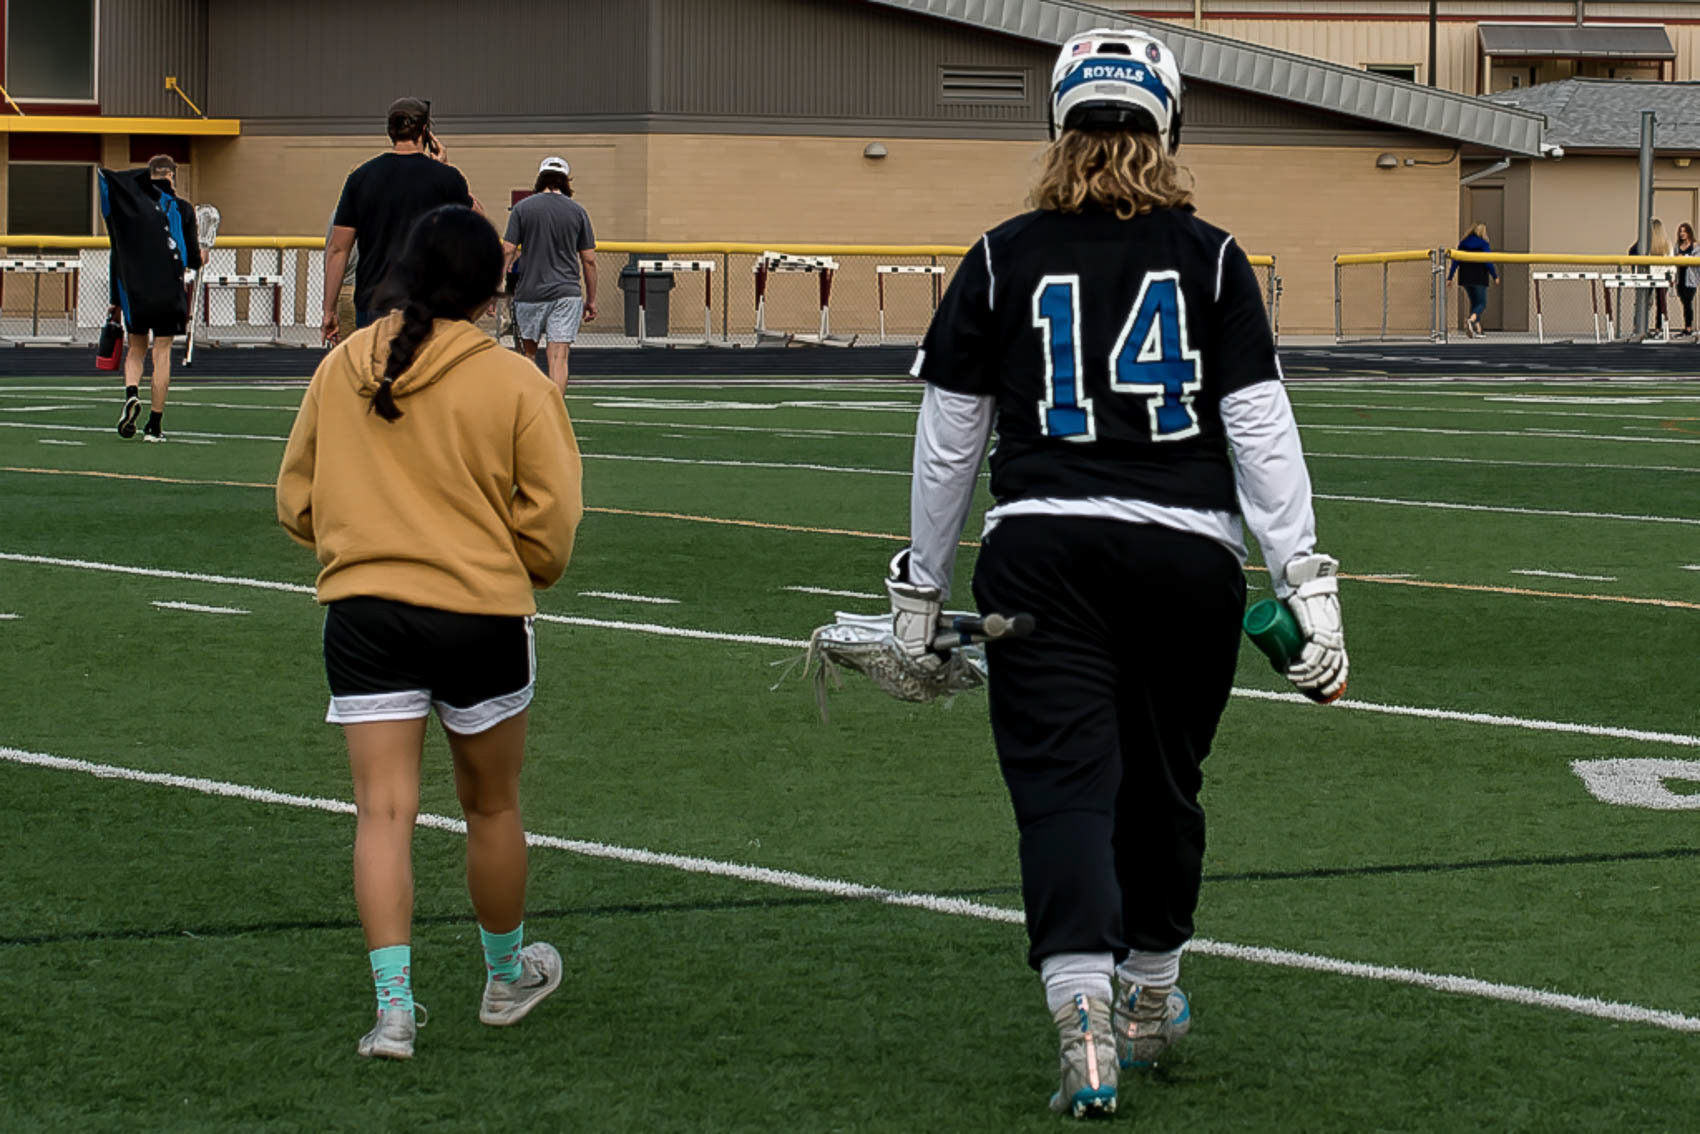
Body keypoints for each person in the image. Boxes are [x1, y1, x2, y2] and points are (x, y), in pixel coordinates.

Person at [885, 28, 1346, 1119]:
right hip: (1186, 556)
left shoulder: (1000, 254)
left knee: (1064, 788)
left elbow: (949, 442)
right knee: (1162, 784)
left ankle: (1080, 1015)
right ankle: (1145, 992)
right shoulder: (1213, 257)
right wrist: (1306, 583)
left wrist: (919, 588)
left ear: (1058, 123)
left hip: (1041, 553)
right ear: (1167, 126)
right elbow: (1260, 431)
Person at [276, 205, 583, 1060]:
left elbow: (296, 501)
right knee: (492, 805)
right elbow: (551, 528)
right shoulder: (516, 381)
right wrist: (507, 562)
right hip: (481, 614)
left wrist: (361, 540)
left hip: (365, 613)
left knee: (382, 812)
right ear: (495, 288)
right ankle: (505, 976)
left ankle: (394, 1012)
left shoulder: (342, 365)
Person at [322, 97, 482, 344]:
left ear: (391, 132)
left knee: (377, 366)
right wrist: (446, 169)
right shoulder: (446, 178)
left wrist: (329, 310)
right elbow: (479, 223)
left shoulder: (361, 177)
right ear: (425, 132)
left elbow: (337, 249)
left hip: (374, 301)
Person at [102, 154, 203, 442]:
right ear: (172, 175)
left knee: (136, 349)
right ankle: (154, 425)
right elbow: (192, 259)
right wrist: (201, 257)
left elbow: (117, 254)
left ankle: (132, 393)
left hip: (136, 290)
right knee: (162, 351)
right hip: (169, 289)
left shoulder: (131, 209)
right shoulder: (182, 208)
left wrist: (115, 299)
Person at [501, 156, 598, 393]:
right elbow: (589, 259)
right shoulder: (578, 211)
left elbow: (508, 250)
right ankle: (555, 408)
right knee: (558, 357)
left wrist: (496, 289)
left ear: (540, 178)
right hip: (566, 293)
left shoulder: (522, 208)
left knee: (527, 355)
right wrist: (591, 299)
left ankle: (527, 408)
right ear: (566, 180)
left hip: (529, 292)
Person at [1446, 222, 1498, 338]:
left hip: (1465, 278)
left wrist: (1450, 277)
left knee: (1474, 302)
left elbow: (1456, 261)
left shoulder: (1463, 243)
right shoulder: (1483, 244)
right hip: (1479, 277)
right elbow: (1488, 261)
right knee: (1481, 303)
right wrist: (1495, 276)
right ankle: (1471, 320)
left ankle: (1478, 329)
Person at [1674, 222, 1698, 336]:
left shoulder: (1695, 245)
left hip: (1690, 278)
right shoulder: (1677, 246)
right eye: (1680, 231)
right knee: (1684, 302)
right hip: (1680, 278)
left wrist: (1684, 257)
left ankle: (1689, 327)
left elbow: (1696, 259)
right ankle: (1686, 325)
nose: (1682, 234)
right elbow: (1673, 259)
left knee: (1688, 302)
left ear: (1689, 233)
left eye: (1684, 231)